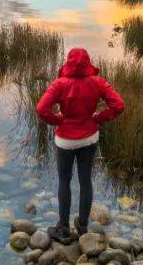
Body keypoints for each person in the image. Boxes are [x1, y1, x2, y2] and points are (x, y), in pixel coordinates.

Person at [35, 47, 124, 242]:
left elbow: (41, 109)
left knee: (64, 182)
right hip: (89, 138)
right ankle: (83, 227)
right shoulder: (97, 82)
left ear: (68, 63)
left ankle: (63, 228)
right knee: (85, 181)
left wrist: (58, 121)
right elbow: (118, 105)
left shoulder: (60, 84)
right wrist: (98, 118)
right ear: (87, 63)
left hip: (65, 141)